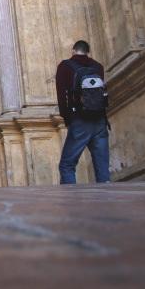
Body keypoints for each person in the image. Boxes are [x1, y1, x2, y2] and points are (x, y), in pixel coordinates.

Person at [56, 40, 110, 184]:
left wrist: (68, 119)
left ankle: (73, 204)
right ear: (88, 52)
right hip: (100, 120)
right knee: (102, 168)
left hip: (79, 121)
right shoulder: (98, 67)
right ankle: (108, 202)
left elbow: (62, 97)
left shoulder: (65, 67)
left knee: (67, 165)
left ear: (73, 50)